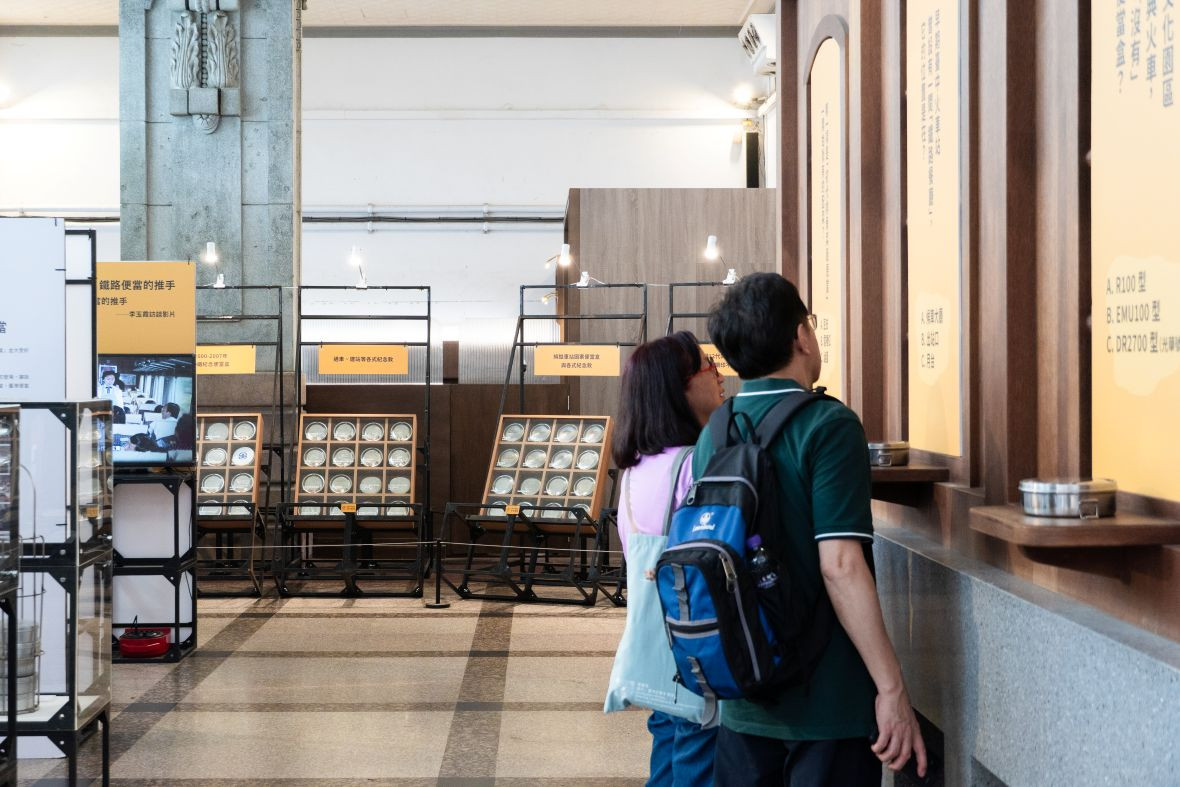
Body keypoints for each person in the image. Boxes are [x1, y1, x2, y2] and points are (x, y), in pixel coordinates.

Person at [699, 272, 926, 786]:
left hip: (745, 692)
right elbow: (840, 565)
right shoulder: (828, 425)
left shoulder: (716, 430)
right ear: (801, 335)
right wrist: (891, 688)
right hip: (826, 703)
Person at [610, 331, 726, 787]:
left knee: (667, 745)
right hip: (698, 645)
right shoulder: (694, 465)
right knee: (698, 755)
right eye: (708, 366)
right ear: (680, 387)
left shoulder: (635, 468)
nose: (719, 375)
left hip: (658, 646)